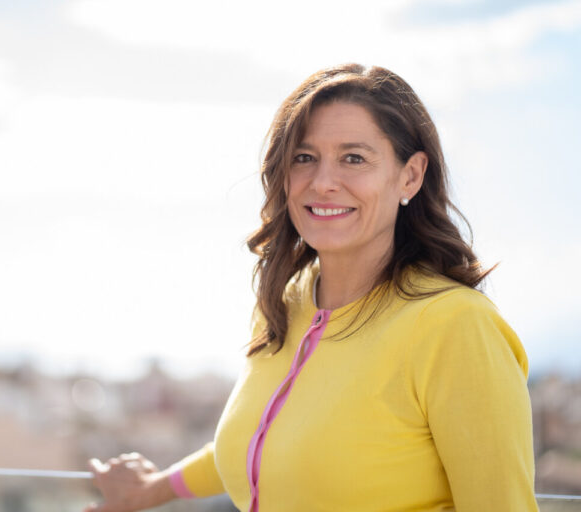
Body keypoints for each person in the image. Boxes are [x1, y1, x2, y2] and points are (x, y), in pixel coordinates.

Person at [82, 63, 538, 512]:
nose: (322, 182)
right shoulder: (287, 300)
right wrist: (152, 490)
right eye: (304, 158)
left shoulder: (456, 326)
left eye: (353, 158)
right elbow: (266, 441)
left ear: (410, 176)